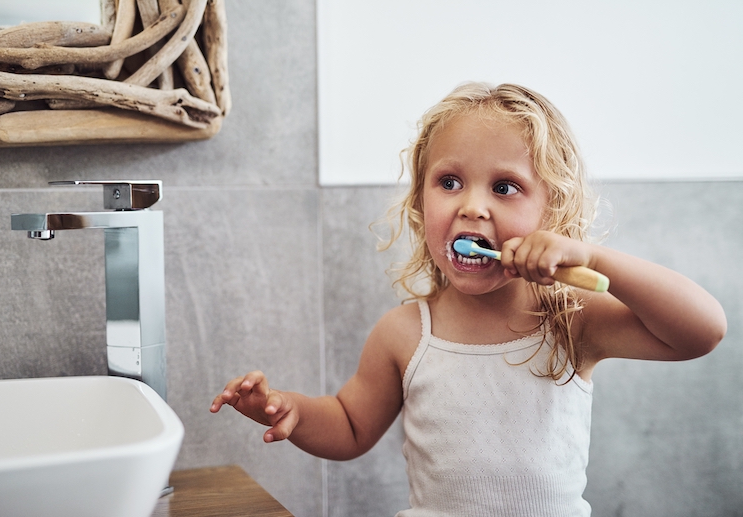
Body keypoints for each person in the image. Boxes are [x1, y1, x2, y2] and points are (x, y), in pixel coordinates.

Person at [210, 82, 726, 516]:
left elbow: (702, 331)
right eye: (450, 182)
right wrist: (292, 410)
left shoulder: (570, 321)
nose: (472, 207)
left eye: (504, 187)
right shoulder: (407, 332)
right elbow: (349, 426)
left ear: (553, 214)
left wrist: (592, 258)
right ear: (420, 202)